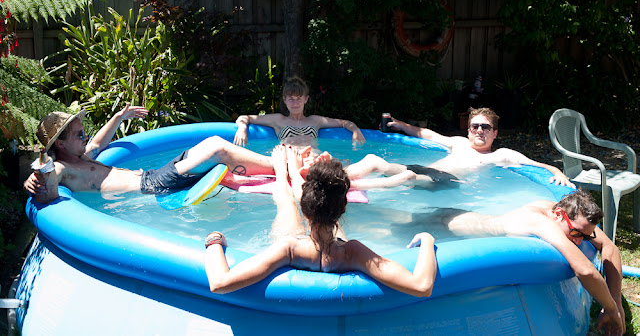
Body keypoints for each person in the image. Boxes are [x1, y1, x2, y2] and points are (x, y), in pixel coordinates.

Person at [23, 105, 417, 201]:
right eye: (77, 133)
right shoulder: (62, 167)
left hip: (157, 176)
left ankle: (315, 174)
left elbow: (100, 142)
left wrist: (121, 116)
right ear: (60, 144)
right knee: (216, 146)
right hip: (150, 186)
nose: (85, 136)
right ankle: (288, 165)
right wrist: (35, 180)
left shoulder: (84, 156)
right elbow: (48, 178)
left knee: (232, 166)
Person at [204, 145, 438, 297]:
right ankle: (293, 173)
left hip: (300, 245)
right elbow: (422, 286)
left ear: (306, 211)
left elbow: (220, 283)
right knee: (325, 220)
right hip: (336, 246)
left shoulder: (288, 248)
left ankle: (283, 171)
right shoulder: (353, 252)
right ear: (343, 209)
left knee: (285, 204)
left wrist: (214, 240)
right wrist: (427, 240)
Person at [442, 189, 625, 335]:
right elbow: (585, 270)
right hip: (447, 225)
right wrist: (611, 309)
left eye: (586, 237)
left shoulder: (567, 216)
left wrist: (616, 300)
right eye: (576, 233)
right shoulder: (539, 221)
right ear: (559, 214)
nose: (579, 242)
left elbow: (609, 247)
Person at [386, 107, 575, 187]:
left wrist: (559, 173)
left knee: (407, 177)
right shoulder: (459, 143)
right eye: (475, 126)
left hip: (443, 182)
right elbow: (427, 134)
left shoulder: (501, 155)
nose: (479, 130)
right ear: (468, 131)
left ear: (495, 133)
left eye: (485, 127)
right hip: (424, 171)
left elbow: (540, 166)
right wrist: (401, 125)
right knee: (375, 162)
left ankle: (366, 188)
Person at [234, 76, 366, 147]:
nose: (295, 103)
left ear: (305, 99)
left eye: (298, 99)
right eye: (291, 99)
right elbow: (244, 118)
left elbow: (344, 123)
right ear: (285, 100)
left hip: (312, 159)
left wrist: (355, 130)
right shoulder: (278, 119)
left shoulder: (315, 120)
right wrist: (242, 128)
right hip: (289, 159)